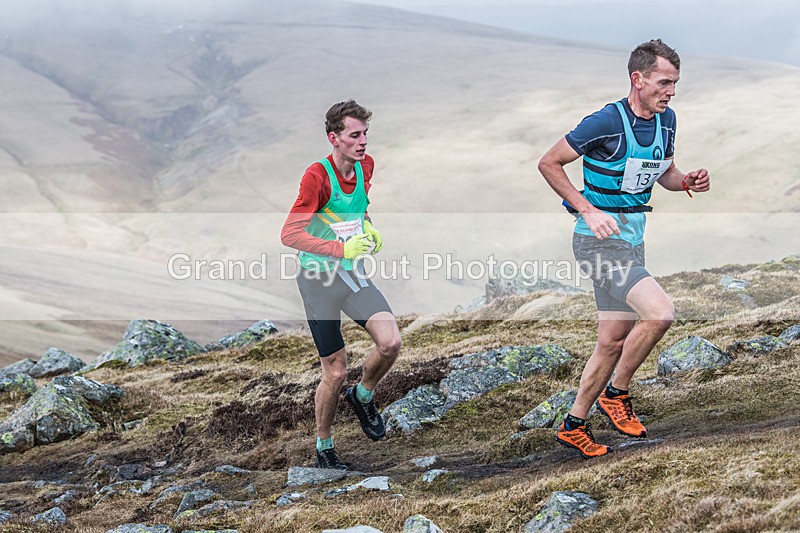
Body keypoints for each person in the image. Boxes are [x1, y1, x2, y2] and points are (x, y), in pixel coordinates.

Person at [538, 39, 710, 458]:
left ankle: (574, 425)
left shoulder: (666, 120)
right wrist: (587, 209)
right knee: (660, 312)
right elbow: (548, 162)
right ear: (639, 78)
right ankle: (616, 393)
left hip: (633, 239)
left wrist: (686, 181)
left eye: (675, 84)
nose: (670, 91)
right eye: (664, 82)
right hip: (597, 243)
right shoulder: (604, 122)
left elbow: (663, 171)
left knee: (612, 340)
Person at [281, 100, 402, 470]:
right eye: (355, 135)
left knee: (391, 342)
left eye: (365, 134)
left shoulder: (366, 166)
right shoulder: (316, 176)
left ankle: (363, 395)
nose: (363, 141)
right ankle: (324, 444)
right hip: (318, 280)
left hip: (350, 273)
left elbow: (360, 208)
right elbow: (289, 233)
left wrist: (369, 229)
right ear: (335, 138)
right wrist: (339, 247)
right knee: (334, 370)